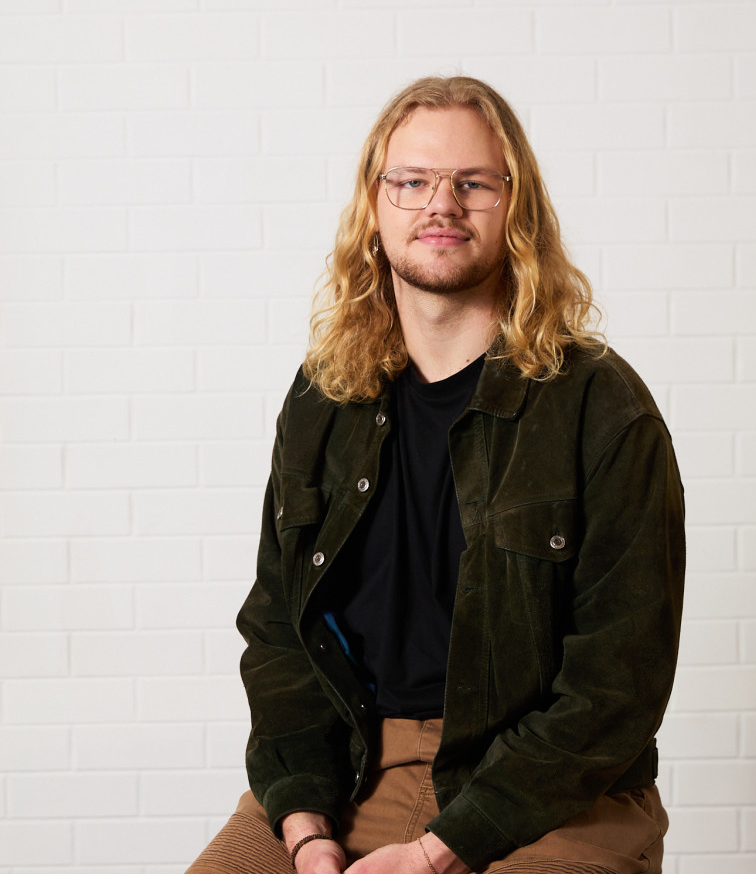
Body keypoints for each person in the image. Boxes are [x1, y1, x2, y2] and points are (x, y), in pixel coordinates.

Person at [185, 76, 684, 874]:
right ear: (374, 207)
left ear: (514, 206)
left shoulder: (600, 405)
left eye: (472, 184)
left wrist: (440, 850)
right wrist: (307, 827)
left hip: (558, 792)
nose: (439, 205)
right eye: (411, 181)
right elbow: (278, 631)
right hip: (356, 771)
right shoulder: (324, 397)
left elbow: (616, 686)